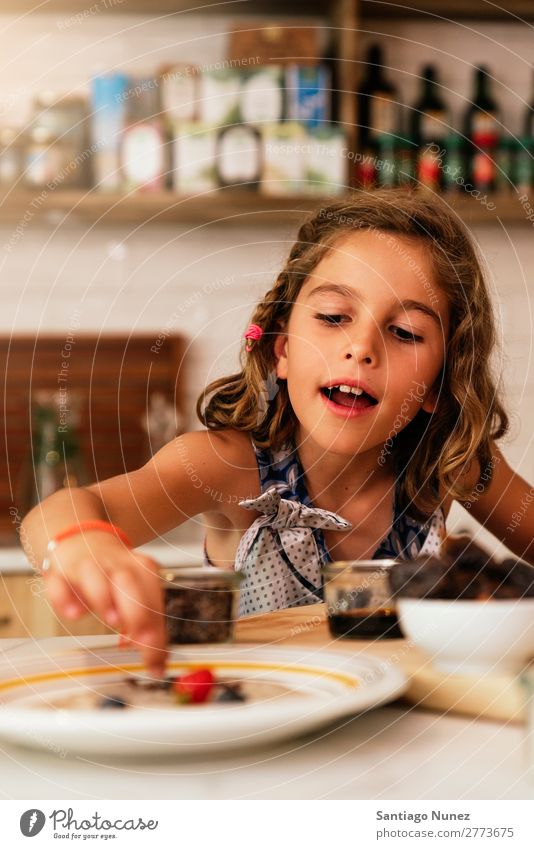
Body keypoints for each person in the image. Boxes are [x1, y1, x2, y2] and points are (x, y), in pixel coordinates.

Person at [20, 189, 534, 676]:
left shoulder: (449, 465)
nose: (362, 347)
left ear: (439, 386)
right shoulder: (227, 465)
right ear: (281, 349)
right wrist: (86, 545)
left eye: (405, 333)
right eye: (334, 317)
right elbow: (64, 510)